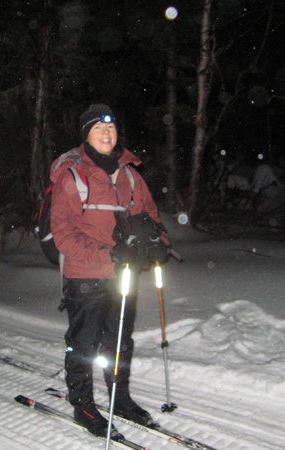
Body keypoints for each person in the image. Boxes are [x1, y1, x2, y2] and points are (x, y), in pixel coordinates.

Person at [50, 104, 171, 437]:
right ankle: (83, 404)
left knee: (119, 342)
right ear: (86, 134)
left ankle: (121, 398)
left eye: (111, 128)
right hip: (86, 275)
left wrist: (160, 240)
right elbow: (63, 234)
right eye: (98, 129)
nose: (106, 134)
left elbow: (150, 214)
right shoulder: (73, 175)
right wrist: (110, 254)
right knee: (84, 344)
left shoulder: (130, 173)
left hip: (124, 275)